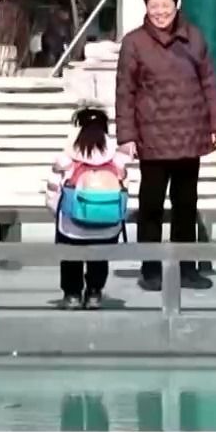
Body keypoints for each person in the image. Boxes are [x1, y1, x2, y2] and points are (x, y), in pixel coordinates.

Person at [115, 0, 216, 292]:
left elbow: (209, 82)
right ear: (146, 7)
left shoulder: (194, 37)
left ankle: (186, 269)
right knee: (150, 206)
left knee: (185, 206)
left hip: (189, 136)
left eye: (166, 5)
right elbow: (125, 91)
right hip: (152, 139)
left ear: (176, 4)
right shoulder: (134, 43)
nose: (160, 12)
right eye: (154, 6)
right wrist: (126, 135)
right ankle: (150, 269)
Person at [45, 106, 131, 309]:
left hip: (71, 225)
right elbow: (125, 190)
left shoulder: (66, 159)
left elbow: (52, 191)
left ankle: (72, 294)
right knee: (99, 258)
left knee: (70, 258)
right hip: (107, 224)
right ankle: (94, 292)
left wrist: (58, 212)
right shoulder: (117, 160)